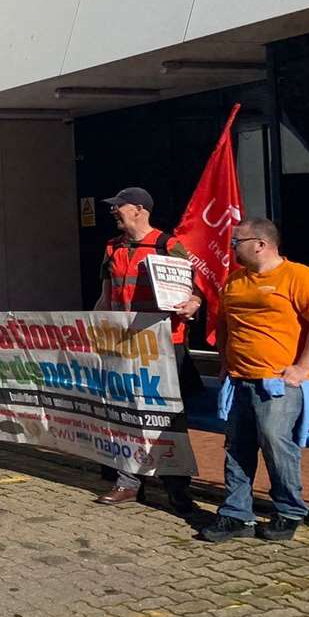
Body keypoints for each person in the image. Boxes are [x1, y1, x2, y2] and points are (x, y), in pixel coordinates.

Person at [200, 219, 309, 544]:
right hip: (240, 380)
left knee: (276, 443)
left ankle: (288, 511)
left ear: (260, 243)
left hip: (279, 383)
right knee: (237, 448)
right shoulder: (234, 282)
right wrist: (224, 362)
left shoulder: (300, 277)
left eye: (237, 242)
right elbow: (226, 326)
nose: (232, 248)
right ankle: (236, 515)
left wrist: (302, 368)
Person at [93, 187, 201, 513]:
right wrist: (94, 331)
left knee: (167, 419)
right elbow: (105, 296)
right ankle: (128, 484)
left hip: (164, 347)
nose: (113, 211)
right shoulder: (112, 248)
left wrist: (192, 304)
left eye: (119, 206)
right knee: (126, 413)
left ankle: (177, 489)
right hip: (124, 345)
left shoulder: (168, 246)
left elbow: (193, 293)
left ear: (139, 209)